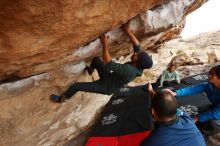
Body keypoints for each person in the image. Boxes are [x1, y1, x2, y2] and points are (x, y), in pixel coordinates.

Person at [50, 22, 153, 103]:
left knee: (75, 86)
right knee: (95, 60)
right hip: (109, 77)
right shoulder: (139, 63)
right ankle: (90, 70)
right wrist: (127, 30)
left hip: (106, 87)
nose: (135, 54)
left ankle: (63, 99)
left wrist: (104, 44)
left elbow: (108, 63)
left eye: (136, 56)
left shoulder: (130, 70)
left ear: (136, 62)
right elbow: (137, 46)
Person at [165, 65, 220, 135]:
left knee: (213, 122)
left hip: (218, 113)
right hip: (216, 107)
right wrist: (175, 93)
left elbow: (217, 113)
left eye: (212, 75)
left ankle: (212, 132)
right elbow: (192, 89)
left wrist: (197, 118)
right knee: (199, 110)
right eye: (209, 73)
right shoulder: (210, 85)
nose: (209, 76)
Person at [140, 90, 206, 146]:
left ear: (152, 111)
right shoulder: (187, 119)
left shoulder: (150, 142)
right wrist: (154, 94)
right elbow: (174, 109)